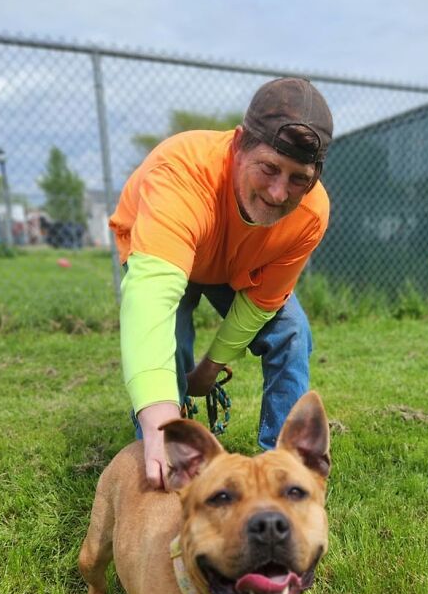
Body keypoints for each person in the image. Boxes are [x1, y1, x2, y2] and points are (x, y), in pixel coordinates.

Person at [109, 77, 333, 490]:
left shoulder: (311, 214)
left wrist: (210, 370)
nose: (279, 192)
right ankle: (162, 464)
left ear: (315, 177)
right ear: (239, 143)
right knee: (171, 338)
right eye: (268, 168)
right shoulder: (182, 172)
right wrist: (160, 416)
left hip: (235, 262)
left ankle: (284, 471)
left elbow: (263, 303)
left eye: (298, 178)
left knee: (292, 331)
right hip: (165, 250)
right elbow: (152, 301)